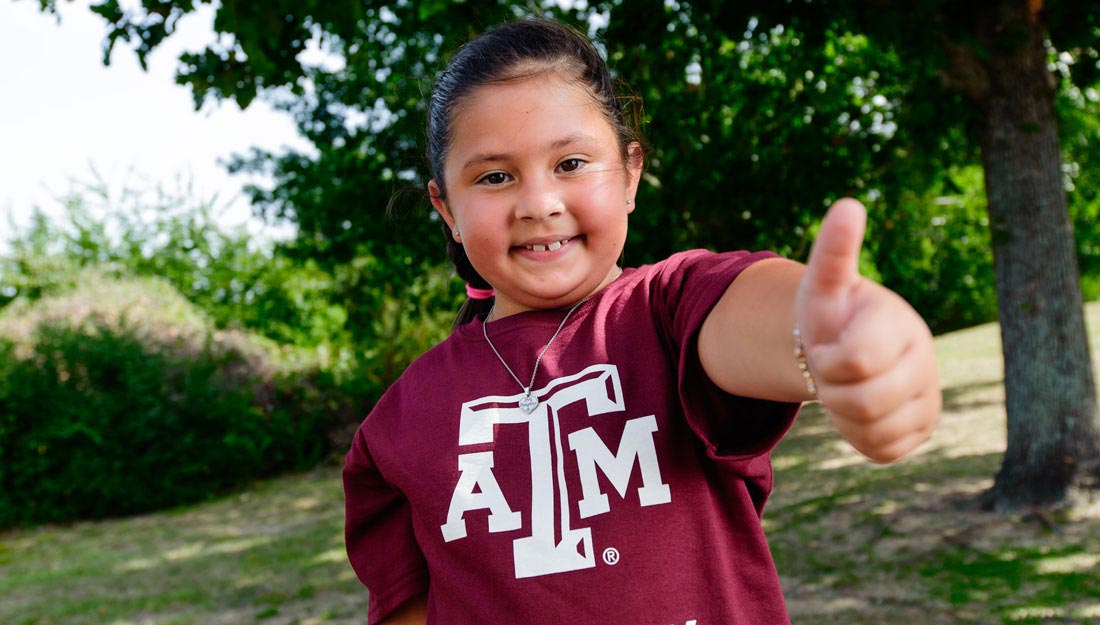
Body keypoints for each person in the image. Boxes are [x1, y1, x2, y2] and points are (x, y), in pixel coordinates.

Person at [343, 17, 940, 625]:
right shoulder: (397, 425)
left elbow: (750, 314)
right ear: (445, 207)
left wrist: (831, 334)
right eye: (495, 177)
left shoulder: (666, 310)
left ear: (630, 173)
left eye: (571, 163)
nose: (539, 204)